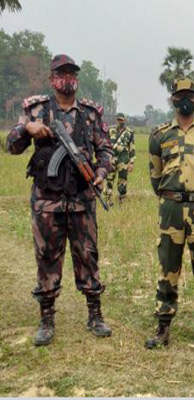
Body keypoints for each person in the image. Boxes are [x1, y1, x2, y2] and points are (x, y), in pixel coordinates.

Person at [5, 54, 113, 346]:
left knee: (88, 256)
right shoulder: (35, 110)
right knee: (47, 258)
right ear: (52, 79)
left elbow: (106, 151)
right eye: (62, 73)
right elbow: (11, 146)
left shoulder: (90, 113)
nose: (68, 79)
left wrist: (101, 172)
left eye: (72, 73)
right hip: (47, 202)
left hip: (82, 201)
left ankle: (95, 315)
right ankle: (46, 319)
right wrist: (27, 129)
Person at [145, 77, 194, 349]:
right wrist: (171, 197)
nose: (185, 100)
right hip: (170, 208)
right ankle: (163, 327)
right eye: (180, 95)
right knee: (168, 267)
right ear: (172, 99)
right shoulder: (159, 135)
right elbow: (155, 176)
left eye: (190, 95)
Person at [103, 112, 135, 206]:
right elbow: (105, 144)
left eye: (121, 120)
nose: (120, 121)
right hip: (111, 158)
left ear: (125, 120)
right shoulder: (110, 130)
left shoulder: (129, 132)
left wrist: (131, 162)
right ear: (116, 120)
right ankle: (107, 200)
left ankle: (122, 200)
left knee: (122, 180)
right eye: (118, 119)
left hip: (123, 159)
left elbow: (132, 148)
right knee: (109, 179)